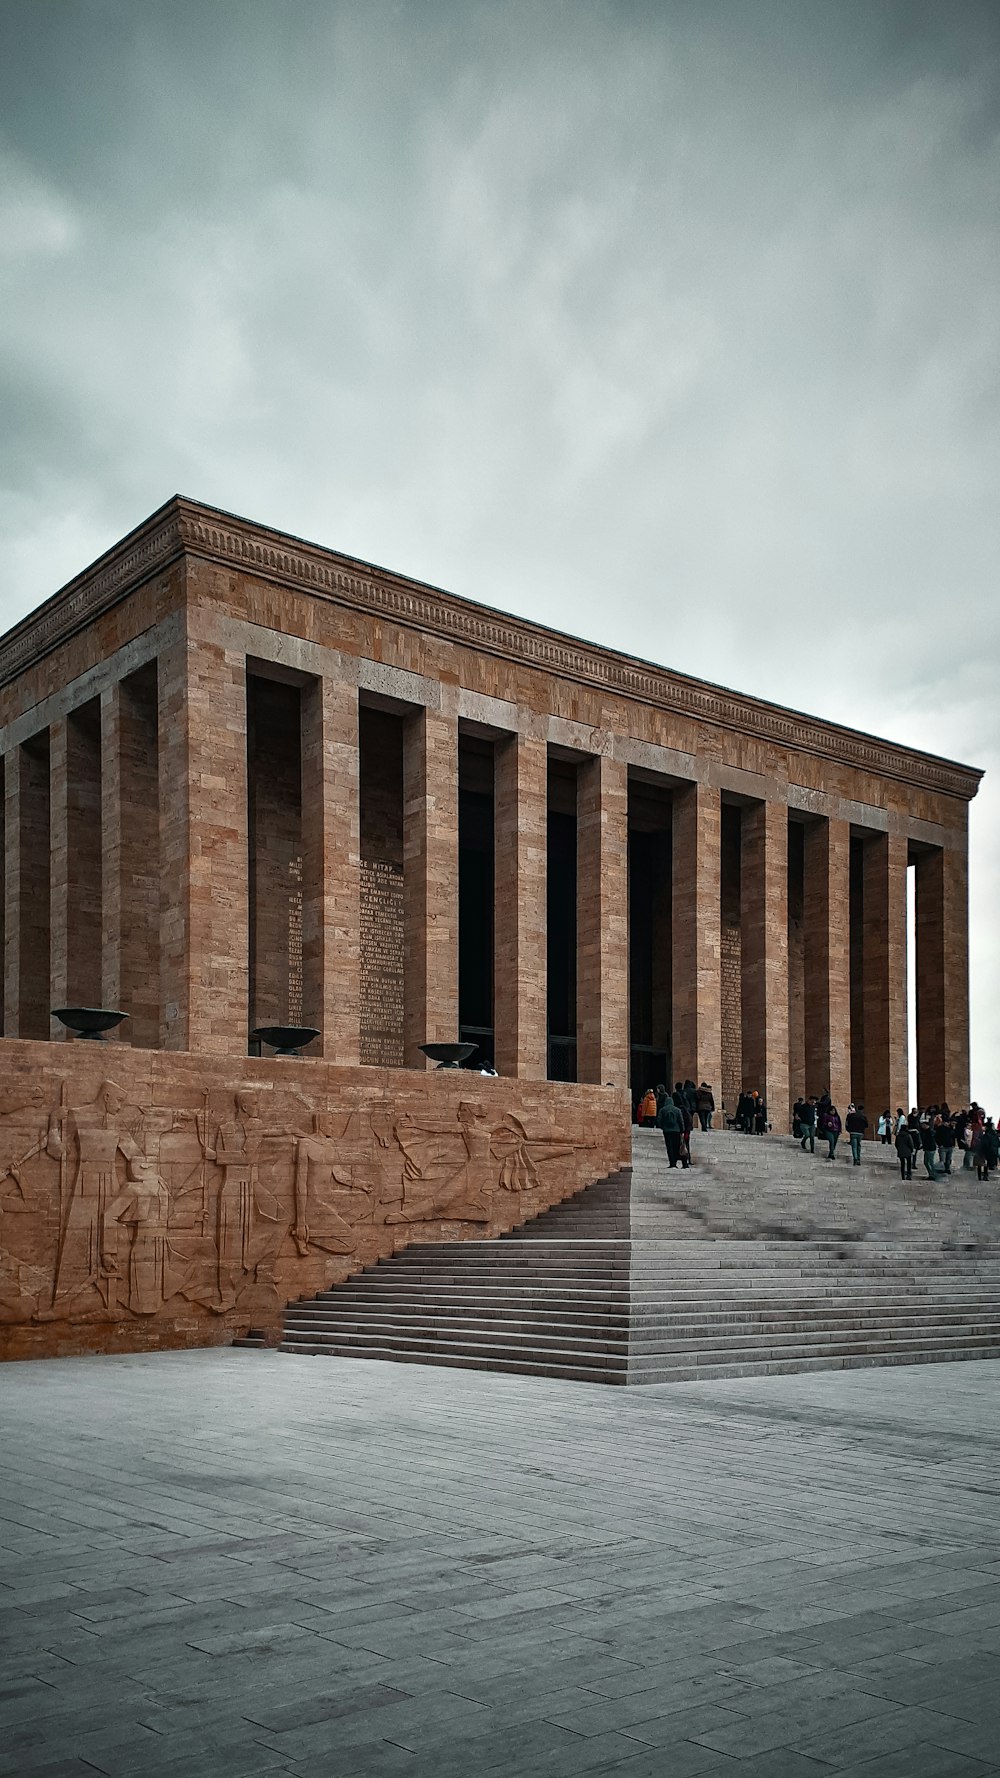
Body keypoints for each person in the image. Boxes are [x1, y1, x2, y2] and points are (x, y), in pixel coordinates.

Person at [657, 1093, 684, 1168]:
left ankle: (671, 1163)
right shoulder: (677, 1110)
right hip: (676, 1130)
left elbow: (659, 1120)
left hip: (667, 1131)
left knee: (669, 1147)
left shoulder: (662, 1110)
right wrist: (682, 1130)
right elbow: (681, 1121)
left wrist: (662, 1126)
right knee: (676, 1147)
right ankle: (675, 1162)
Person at [936, 1111, 956, 1176]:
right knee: (943, 1160)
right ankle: (942, 1170)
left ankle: (947, 1169)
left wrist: (953, 1144)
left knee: (948, 1159)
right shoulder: (940, 1128)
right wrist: (939, 1144)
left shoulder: (951, 1129)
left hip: (950, 1146)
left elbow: (953, 1137)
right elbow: (937, 1137)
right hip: (943, 1146)